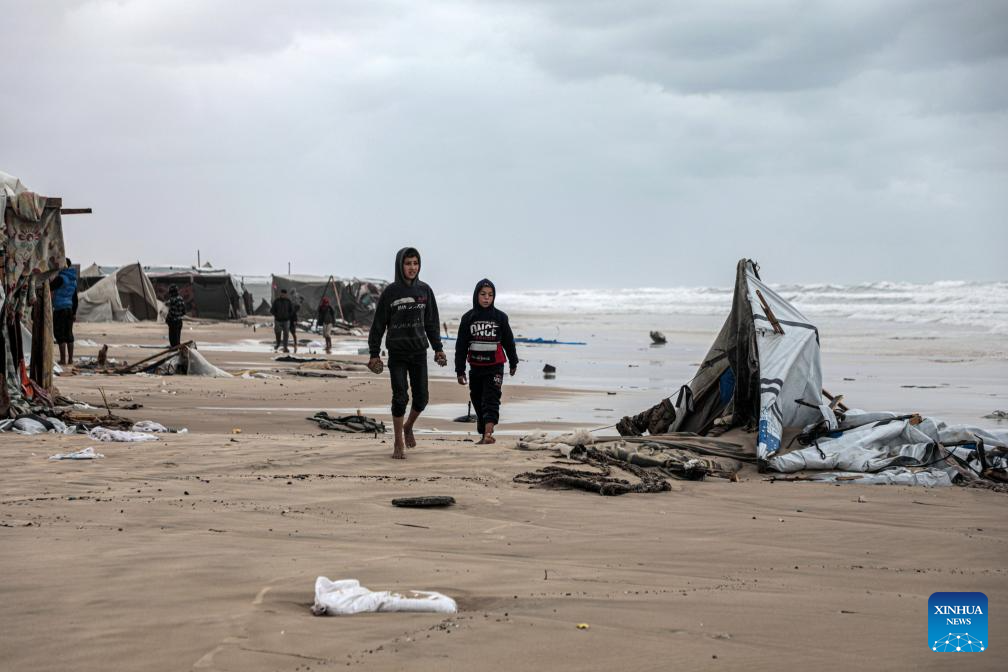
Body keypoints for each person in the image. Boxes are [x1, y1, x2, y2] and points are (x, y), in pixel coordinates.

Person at [367, 247, 447, 459]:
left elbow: (432, 323)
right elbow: (378, 325)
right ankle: (397, 441)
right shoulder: (390, 293)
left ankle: (408, 426)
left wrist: (438, 348)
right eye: (408, 263)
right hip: (398, 353)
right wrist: (374, 353)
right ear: (400, 265)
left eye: (415, 263)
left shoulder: (425, 291)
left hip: (419, 351)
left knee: (422, 398)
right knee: (400, 397)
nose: (412, 267)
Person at [454, 279, 518, 444]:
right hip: (475, 367)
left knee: (491, 399)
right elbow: (461, 346)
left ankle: (488, 434)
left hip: (495, 366)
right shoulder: (468, 318)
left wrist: (513, 362)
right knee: (476, 398)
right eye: (483, 294)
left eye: (490, 295)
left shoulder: (500, 318)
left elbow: (509, 342)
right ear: (476, 295)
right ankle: (484, 433)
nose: (486, 298)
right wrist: (459, 370)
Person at [50, 258, 78, 365]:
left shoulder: (61, 278)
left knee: (59, 334)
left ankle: (62, 360)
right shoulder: (73, 280)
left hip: (60, 309)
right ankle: (70, 359)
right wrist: (74, 312)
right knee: (69, 334)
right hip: (69, 309)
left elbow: (49, 287)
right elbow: (75, 298)